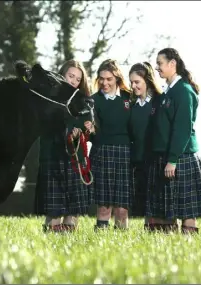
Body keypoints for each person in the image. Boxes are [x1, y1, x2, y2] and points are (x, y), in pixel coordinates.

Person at [146, 47, 201, 234]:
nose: (157, 68)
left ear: (172, 64)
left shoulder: (183, 91)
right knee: (169, 209)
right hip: (165, 156)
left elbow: (182, 129)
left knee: (186, 209)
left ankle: (188, 249)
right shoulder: (168, 91)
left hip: (181, 157)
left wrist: (173, 159)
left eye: (160, 63)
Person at [35, 59, 93, 233]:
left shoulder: (85, 102)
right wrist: (67, 131)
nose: (74, 81)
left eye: (77, 79)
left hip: (75, 161)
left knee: (73, 211)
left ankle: (69, 244)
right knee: (54, 211)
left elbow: (87, 126)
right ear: (62, 75)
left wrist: (85, 130)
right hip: (53, 157)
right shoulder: (47, 99)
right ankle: (50, 238)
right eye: (71, 76)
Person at [88, 59, 133, 231]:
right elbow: (92, 135)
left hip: (125, 154)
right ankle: (101, 241)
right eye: (101, 79)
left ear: (117, 79)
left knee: (122, 207)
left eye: (109, 79)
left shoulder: (130, 99)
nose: (104, 83)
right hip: (102, 153)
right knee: (104, 205)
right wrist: (91, 131)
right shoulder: (93, 101)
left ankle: (122, 245)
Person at [128, 62, 163, 228]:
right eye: (131, 82)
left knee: (160, 202)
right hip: (139, 162)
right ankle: (149, 232)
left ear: (147, 81)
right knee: (143, 203)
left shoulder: (159, 103)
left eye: (137, 82)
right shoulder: (133, 107)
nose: (133, 86)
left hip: (157, 160)